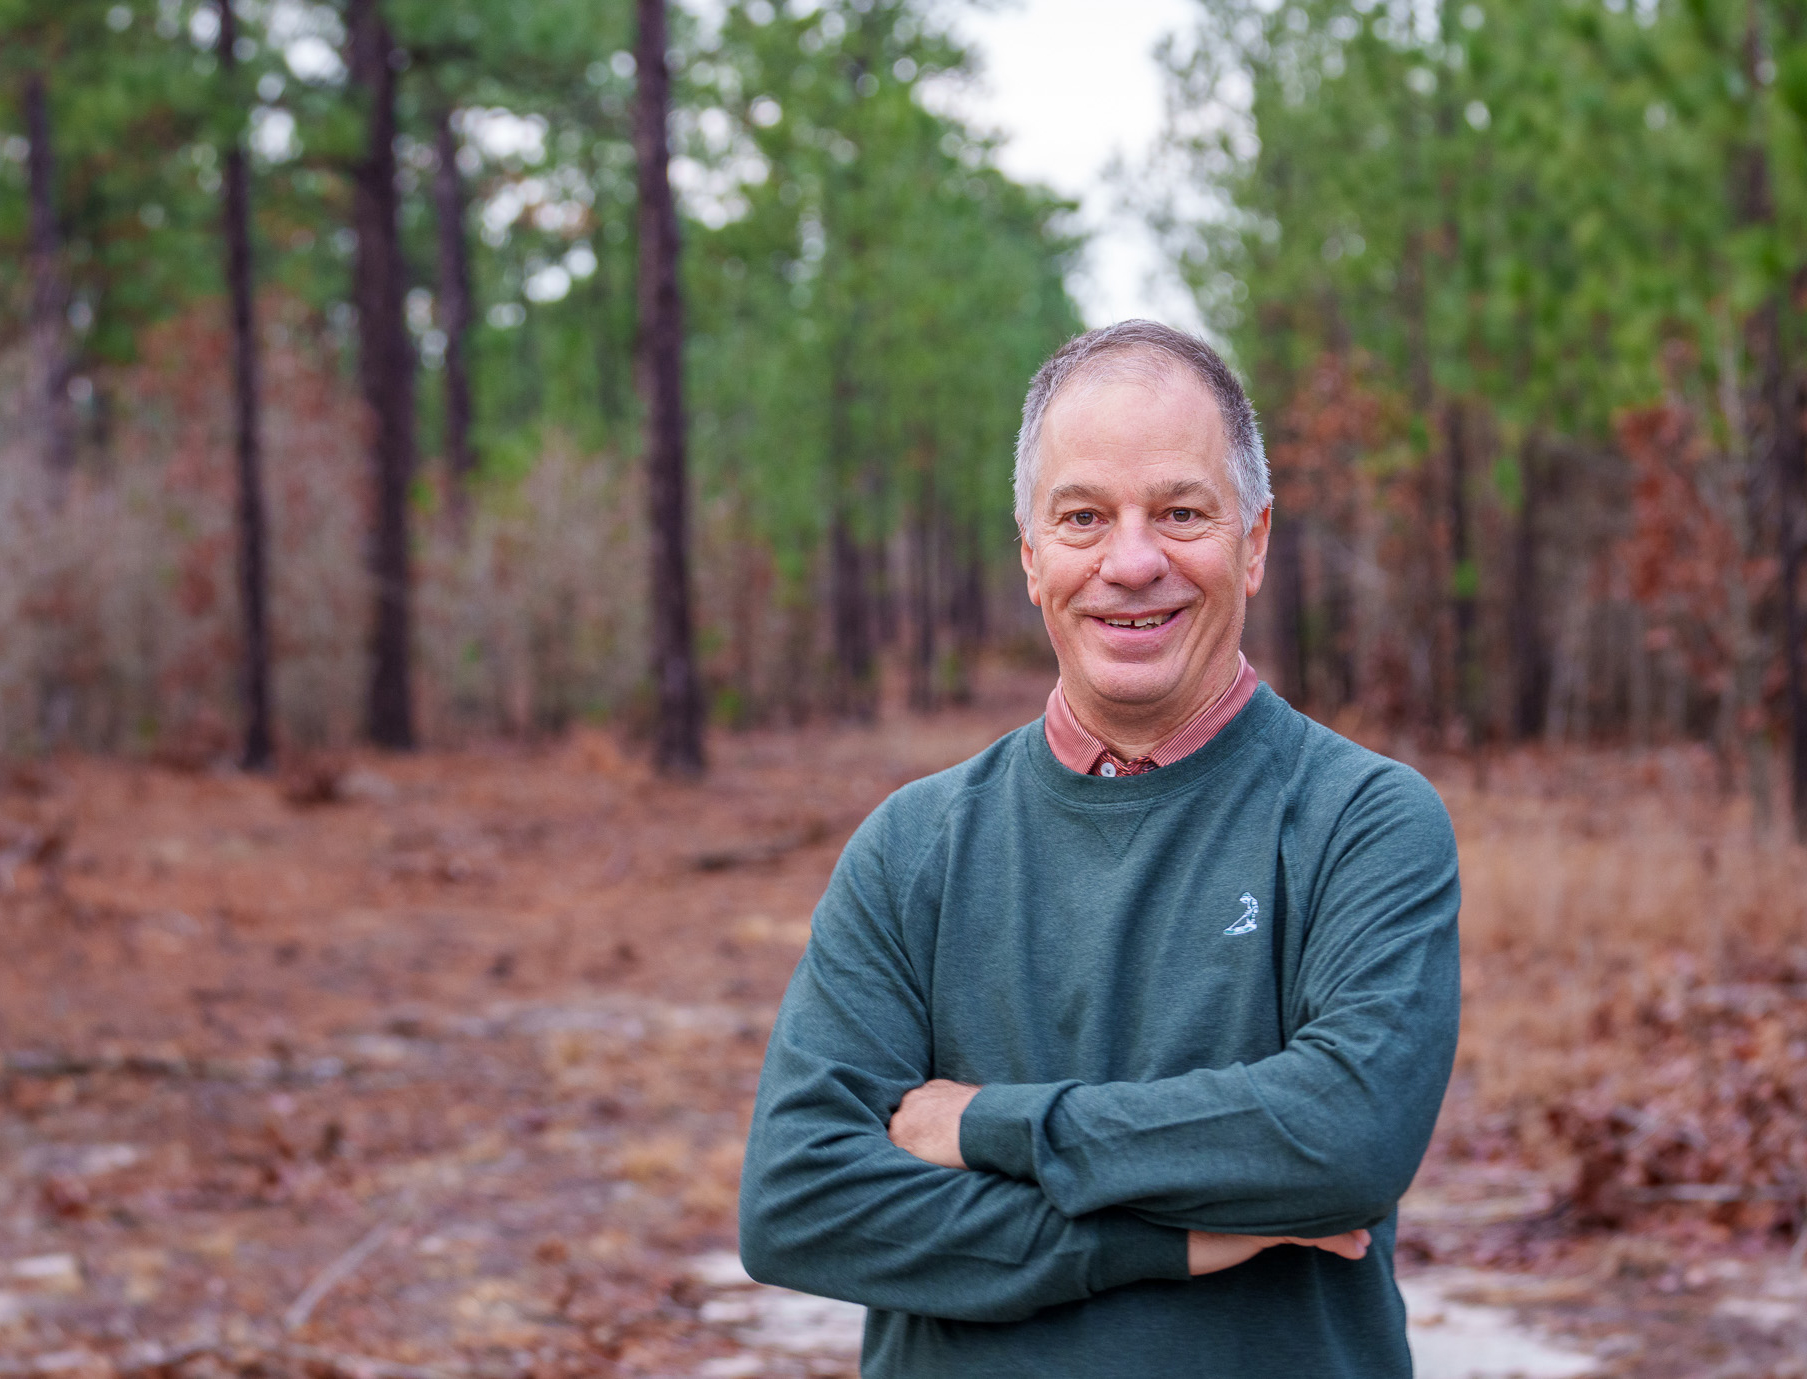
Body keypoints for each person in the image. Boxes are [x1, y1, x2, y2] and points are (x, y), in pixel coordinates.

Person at [738, 320, 1461, 1377]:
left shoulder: (1363, 819)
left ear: (1253, 542)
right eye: (1084, 517)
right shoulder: (914, 846)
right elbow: (800, 1203)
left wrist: (989, 1123)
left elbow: (1345, 1138)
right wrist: (1160, 1242)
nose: (1131, 561)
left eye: (1179, 512)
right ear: (1032, 557)